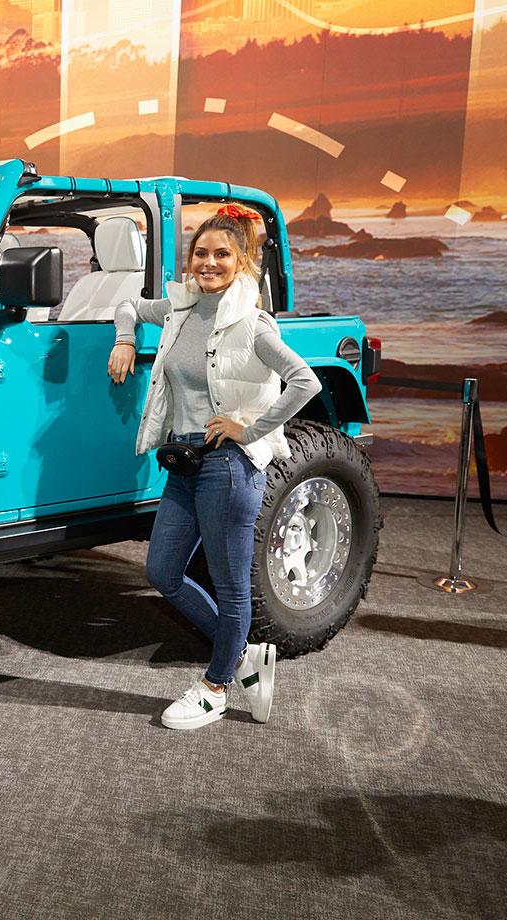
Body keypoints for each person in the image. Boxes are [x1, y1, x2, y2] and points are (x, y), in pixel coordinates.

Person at [107, 205, 322, 730]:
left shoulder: (252, 323)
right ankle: (243, 654)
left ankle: (216, 686)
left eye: (222, 254)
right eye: (201, 253)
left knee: (229, 586)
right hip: (183, 463)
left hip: (228, 469)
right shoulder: (181, 307)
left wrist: (249, 430)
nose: (209, 262)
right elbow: (128, 306)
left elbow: (305, 382)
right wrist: (124, 338)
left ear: (242, 260)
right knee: (162, 572)